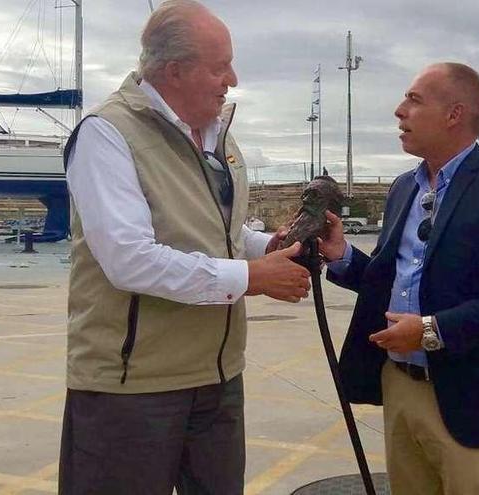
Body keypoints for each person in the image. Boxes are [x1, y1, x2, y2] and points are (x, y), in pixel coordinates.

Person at [58, 1, 310, 493]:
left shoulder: (219, 138)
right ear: (174, 70)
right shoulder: (107, 134)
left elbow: (220, 235)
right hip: (133, 387)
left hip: (217, 379)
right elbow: (129, 259)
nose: (232, 79)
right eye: (220, 67)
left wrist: (269, 247)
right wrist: (250, 278)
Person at [320, 62, 479, 494]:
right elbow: (389, 281)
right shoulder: (403, 187)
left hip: (472, 394)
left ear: (454, 115)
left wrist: (430, 331)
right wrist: (341, 255)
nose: (399, 111)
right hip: (401, 383)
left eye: (414, 100)